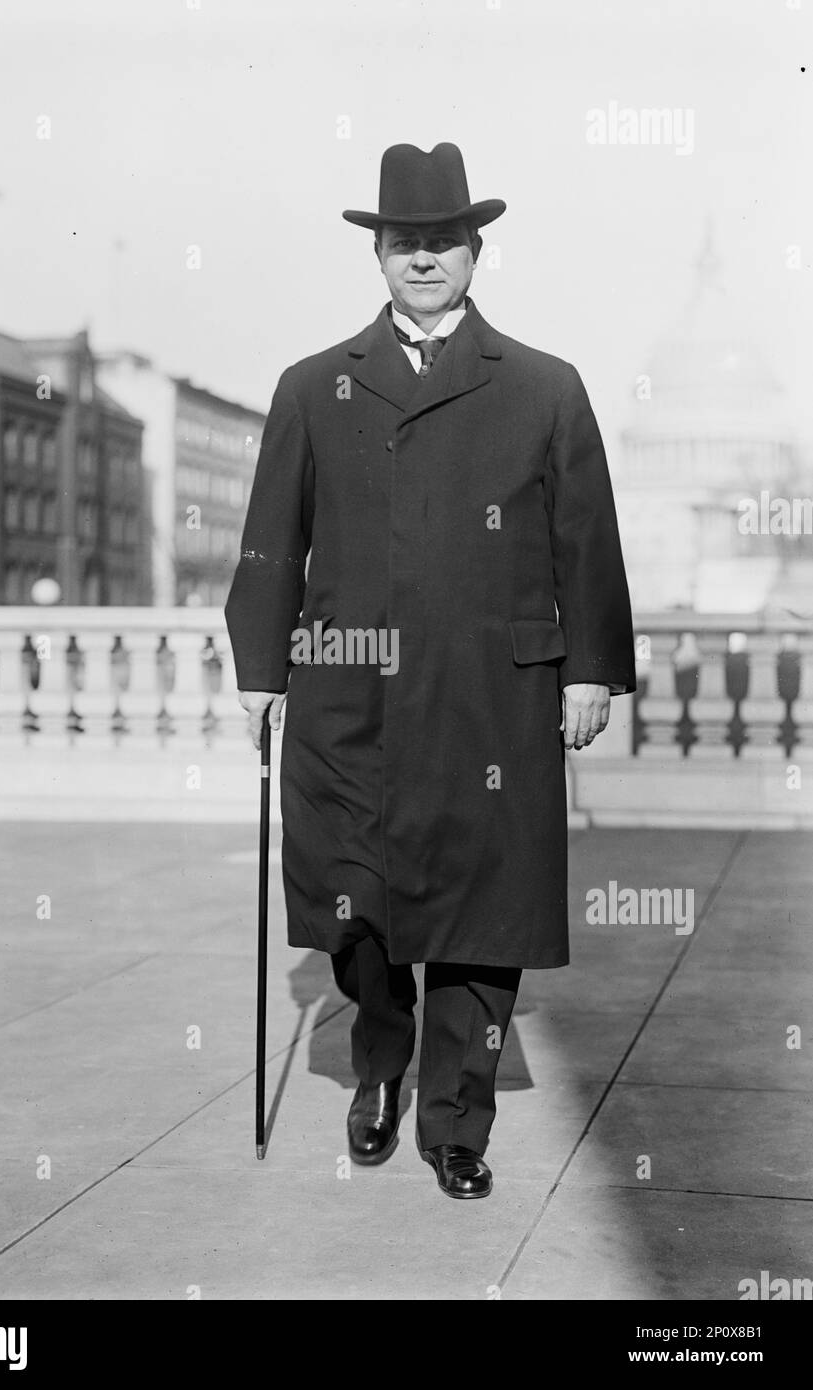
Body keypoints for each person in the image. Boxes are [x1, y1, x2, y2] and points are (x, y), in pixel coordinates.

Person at [225, 142, 636, 1199]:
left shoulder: (543, 386)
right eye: (403, 242)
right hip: (348, 686)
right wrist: (261, 670)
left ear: (474, 251)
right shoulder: (314, 386)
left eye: (440, 242)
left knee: (480, 907)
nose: (421, 259)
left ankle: (458, 1116)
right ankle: (379, 1062)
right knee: (353, 900)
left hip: (491, 695)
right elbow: (272, 539)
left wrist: (589, 667)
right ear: (378, 256)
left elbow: (584, 540)